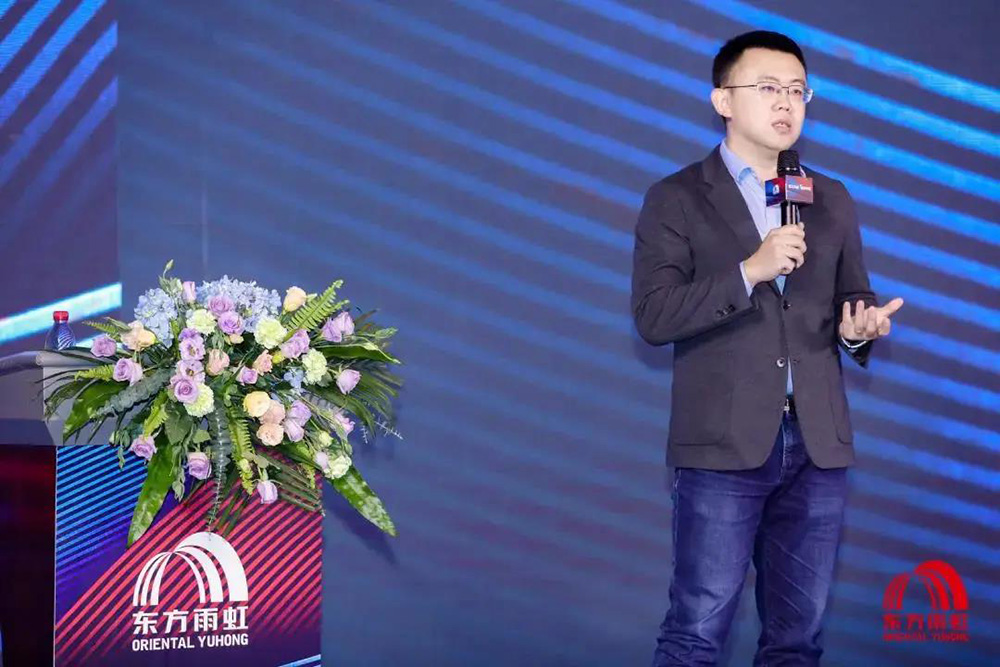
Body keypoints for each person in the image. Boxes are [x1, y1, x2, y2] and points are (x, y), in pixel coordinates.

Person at [630, 30, 904, 666]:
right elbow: (653, 315)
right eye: (768, 88)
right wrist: (750, 271)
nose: (786, 102)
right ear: (723, 100)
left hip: (817, 445)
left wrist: (858, 329)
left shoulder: (830, 197)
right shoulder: (676, 197)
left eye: (798, 91)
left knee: (797, 640)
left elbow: (851, 299)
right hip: (723, 444)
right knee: (696, 633)